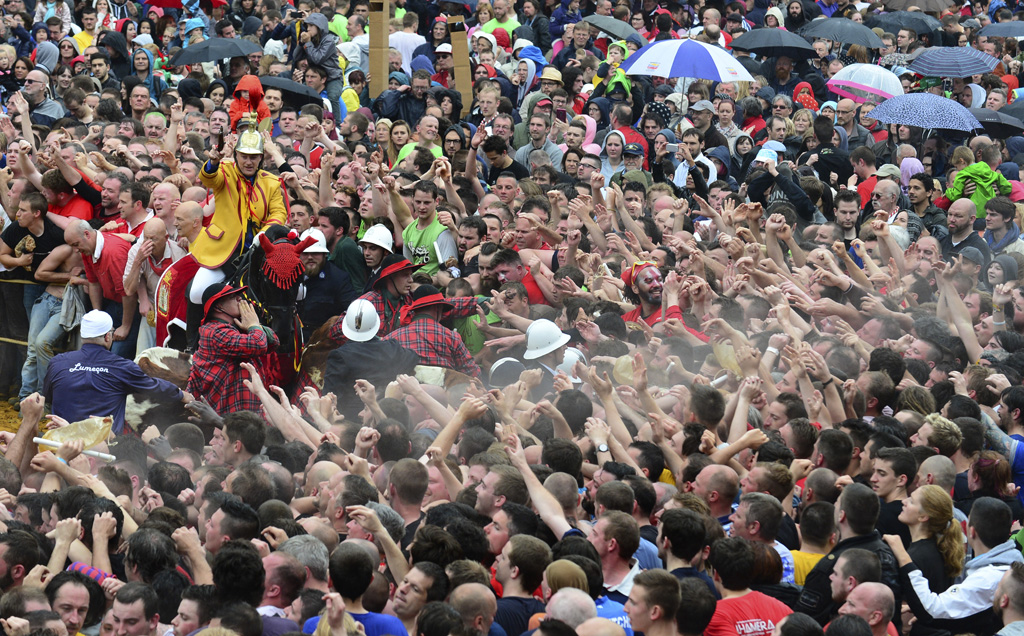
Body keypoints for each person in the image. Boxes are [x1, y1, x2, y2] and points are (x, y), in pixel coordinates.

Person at [43, 310, 191, 433]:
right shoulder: (122, 367)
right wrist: (180, 394)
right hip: (101, 447)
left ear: (83, 336)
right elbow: (154, 386)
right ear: (108, 336)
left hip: (60, 440)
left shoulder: (57, 362)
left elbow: (48, 398)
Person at [186, 284, 278, 415]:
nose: (240, 299)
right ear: (218, 306)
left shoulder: (235, 328)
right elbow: (259, 343)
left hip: (243, 411)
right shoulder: (215, 331)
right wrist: (253, 325)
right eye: (233, 297)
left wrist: (254, 326)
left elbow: (274, 341)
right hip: (226, 415)